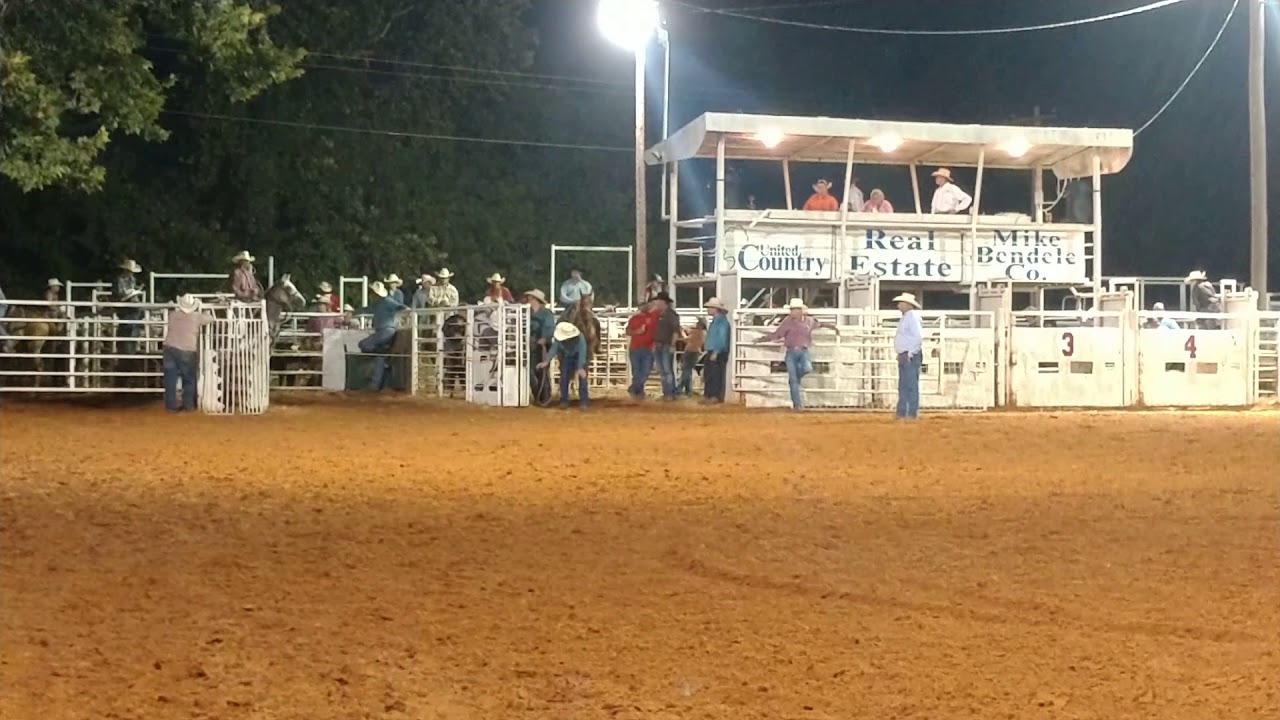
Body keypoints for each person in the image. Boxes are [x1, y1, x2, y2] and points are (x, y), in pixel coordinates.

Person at [755, 297, 836, 411]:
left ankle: (795, 381)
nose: (794, 312)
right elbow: (776, 335)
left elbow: (821, 324)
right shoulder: (787, 322)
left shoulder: (809, 321)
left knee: (807, 369)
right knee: (800, 373)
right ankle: (797, 404)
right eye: (792, 309)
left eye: (796, 309)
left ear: (800, 310)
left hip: (803, 350)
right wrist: (762, 339)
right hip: (792, 351)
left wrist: (832, 327)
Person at [354, 281, 408, 391]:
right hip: (385, 331)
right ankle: (376, 384)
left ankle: (383, 353)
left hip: (386, 331)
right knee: (379, 358)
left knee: (363, 344)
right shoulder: (379, 303)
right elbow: (367, 309)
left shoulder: (387, 301)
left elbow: (402, 307)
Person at [162, 294, 212, 413]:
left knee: (170, 379)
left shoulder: (173, 315)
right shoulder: (196, 317)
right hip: (187, 350)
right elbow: (210, 318)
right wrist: (205, 309)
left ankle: (171, 406)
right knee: (189, 379)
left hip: (170, 348)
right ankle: (188, 405)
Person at [538, 321, 590, 410]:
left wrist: (580, 367)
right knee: (564, 377)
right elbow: (553, 349)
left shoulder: (580, 338)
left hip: (578, 357)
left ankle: (583, 401)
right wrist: (546, 361)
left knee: (582, 378)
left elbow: (582, 352)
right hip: (567, 357)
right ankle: (564, 401)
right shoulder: (560, 340)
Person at [892, 292, 924, 420]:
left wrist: (910, 353)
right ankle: (904, 412)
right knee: (905, 384)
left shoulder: (911, 318)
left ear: (907, 305)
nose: (898, 305)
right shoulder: (908, 317)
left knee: (909, 384)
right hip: (906, 354)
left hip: (909, 354)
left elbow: (918, 337)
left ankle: (910, 412)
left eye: (900, 303)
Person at [524, 289, 556, 405]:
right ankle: (537, 396)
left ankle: (545, 398)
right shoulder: (526, 313)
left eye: (531, 298)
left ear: (536, 300)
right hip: (530, 345)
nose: (528, 300)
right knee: (531, 372)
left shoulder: (547, 313)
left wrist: (544, 338)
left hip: (543, 346)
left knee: (543, 372)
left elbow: (550, 327)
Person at [650, 291, 681, 400]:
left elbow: (676, 332)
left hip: (666, 345)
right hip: (659, 344)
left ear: (664, 302)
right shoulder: (661, 314)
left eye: (658, 301)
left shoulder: (671, 315)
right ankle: (667, 393)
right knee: (663, 370)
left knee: (666, 370)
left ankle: (669, 393)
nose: (656, 303)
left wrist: (672, 345)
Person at [625, 300, 658, 400]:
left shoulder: (652, 316)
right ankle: (638, 391)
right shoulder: (634, 319)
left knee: (644, 371)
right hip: (636, 348)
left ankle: (634, 389)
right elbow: (627, 331)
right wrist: (637, 332)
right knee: (638, 371)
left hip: (645, 348)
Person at [111, 260, 144, 356]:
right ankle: (130, 336)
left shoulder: (132, 279)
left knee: (136, 312)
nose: (131, 273)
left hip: (130, 303)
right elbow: (118, 294)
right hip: (121, 302)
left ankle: (132, 334)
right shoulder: (119, 279)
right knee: (134, 314)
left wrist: (133, 293)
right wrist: (129, 294)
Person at [702, 296, 731, 403]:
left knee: (714, 374)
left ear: (715, 309)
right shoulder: (719, 321)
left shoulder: (721, 322)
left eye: (710, 308)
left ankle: (713, 395)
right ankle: (710, 395)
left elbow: (722, 338)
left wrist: (716, 351)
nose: (708, 310)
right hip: (714, 350)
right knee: (710, 374)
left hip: (716, 351)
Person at [677, 317, 706, 397]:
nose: (696, 324)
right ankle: (688, 390)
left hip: (690, 352)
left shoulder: (696, 332)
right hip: (695, 352)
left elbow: (686, 339)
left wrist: (681, 330)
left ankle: (679, 389)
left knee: (686, 371)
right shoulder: (702, 333)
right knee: (688, 371)